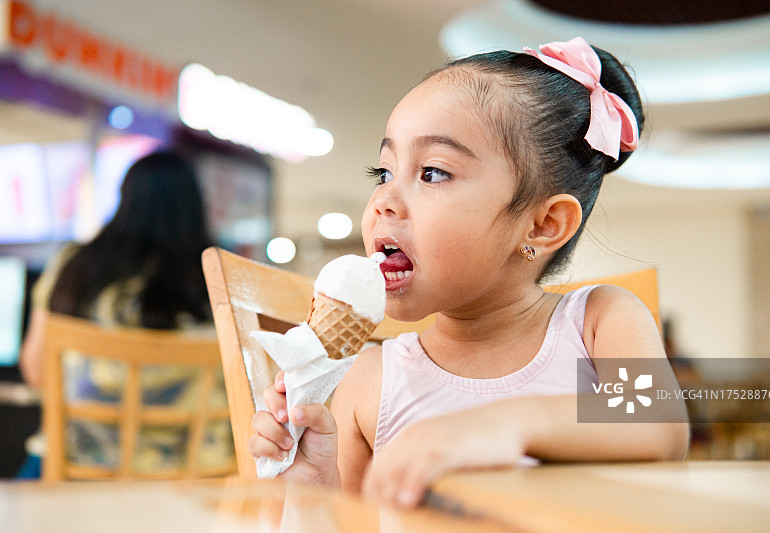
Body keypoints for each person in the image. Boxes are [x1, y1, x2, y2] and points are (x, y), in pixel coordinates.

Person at [249, 37, 690, 506]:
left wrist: (508, 424)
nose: (382, 202)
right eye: (383, 173)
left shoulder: (599, 322)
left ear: (543, 225)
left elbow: (658, 427)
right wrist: (315, 491)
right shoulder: (370, 378)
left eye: (433, 172)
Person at [19, 150, 233, 476]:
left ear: (124, 198)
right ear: (195, 205)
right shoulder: (225, 278)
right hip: (200, 480)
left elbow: (36, 372)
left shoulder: (74, 267)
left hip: (77, 472)